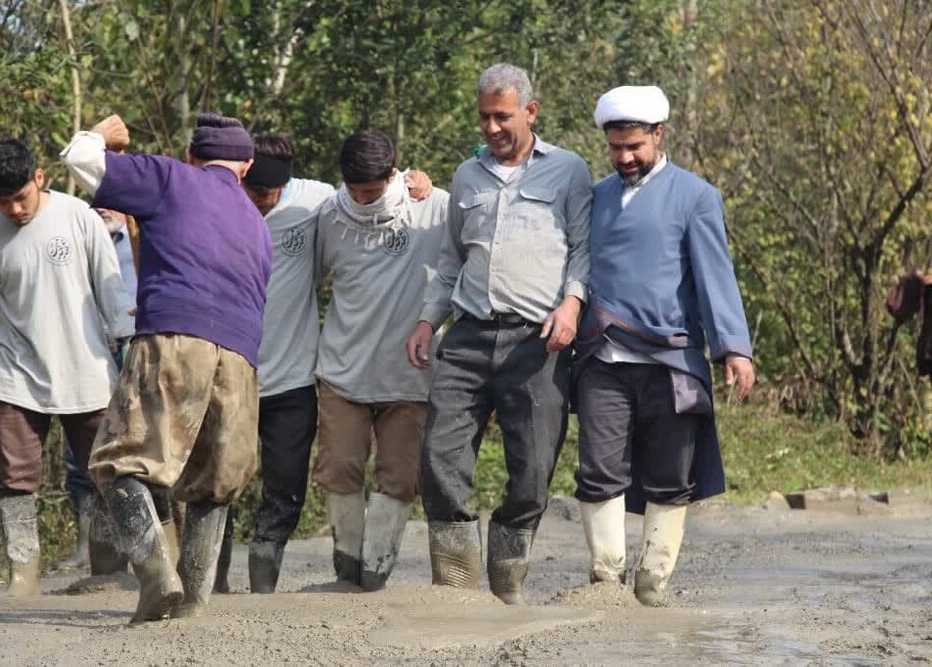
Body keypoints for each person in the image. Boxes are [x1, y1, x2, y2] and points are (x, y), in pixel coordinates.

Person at [61, 112, 271, 623]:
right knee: (213, 485)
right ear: (245, 167)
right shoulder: (256, 224)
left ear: (194, 157)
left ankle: (157, 575)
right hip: (241, 359)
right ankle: (194, 603)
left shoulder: (173, 178)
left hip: (175, 341)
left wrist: (102, 136)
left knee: (116, 462)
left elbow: (80, 159)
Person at [210, 134, 433, 594]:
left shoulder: (323, 203)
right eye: (250, 193)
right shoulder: (232, 209)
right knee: (222, 480)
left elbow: (443, 257)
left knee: (299, 487)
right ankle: (215, 581)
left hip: (310, 377)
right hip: (244, 373)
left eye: (265, 196)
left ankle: (324, 579)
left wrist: (420, 184)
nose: (256, 204)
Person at [406, 63, 592, 605]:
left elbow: (584, 249)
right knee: (439, 459)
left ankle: (507, 588)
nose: (490, 127)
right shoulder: (467, 175)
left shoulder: (568, 171)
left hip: (537, 344)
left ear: (530, 112)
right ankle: (457, 592)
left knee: (533, 471)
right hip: (466, 338)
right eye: (484, 116)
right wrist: (426, 320)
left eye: (501, 116)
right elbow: (451, 260)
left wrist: (573, 305)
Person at [574, 85, 755, 606]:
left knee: (670, 473)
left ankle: (652, 585)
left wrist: (733, 349)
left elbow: (714, 276)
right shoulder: (598, 195)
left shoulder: (696, 195)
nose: (625, 157)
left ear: (659, 134)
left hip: (671, 359)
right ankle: (606, 585)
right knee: (598, 468)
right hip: (602, 357)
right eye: (615, 148)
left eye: (635, 146)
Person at [0, 139, 133, 596]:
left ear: (39, 178)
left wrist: (125, 336)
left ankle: (107, 565)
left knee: (106, 469)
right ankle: (22, 574)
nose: (14, 209)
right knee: (15, 474)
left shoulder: (78, 216)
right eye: (2, 201)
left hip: (85, 364)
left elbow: (110, 284)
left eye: (20, 197)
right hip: (17, 370)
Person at [314, 129, 449, 591]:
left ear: (393, 174)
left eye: (370, 191)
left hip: (409, 376)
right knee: (339, 470)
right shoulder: (330, 215)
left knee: (399, 478)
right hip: (342, 371)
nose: (361, 198)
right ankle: (345, 568)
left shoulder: (431, 207)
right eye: (353, 189)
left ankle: (376, 574)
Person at [54, 207, 137, 572]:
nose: (102, 205)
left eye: (112, 197)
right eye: (96, 197)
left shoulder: (143, 237)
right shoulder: (75, 238)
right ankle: (93, 548)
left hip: (135, 352)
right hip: (87, 353)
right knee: (84, 456)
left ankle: (146, 548)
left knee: (140, 451)